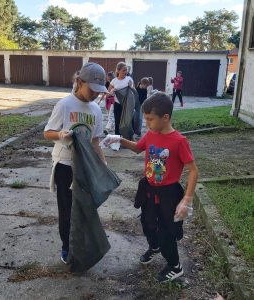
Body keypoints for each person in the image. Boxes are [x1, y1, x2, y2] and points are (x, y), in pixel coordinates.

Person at [102, 92, 198, 282]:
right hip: (149, 189)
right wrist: (120, 139)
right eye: (145, 119)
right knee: (147, 224)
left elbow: (193, 170)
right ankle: (154, 247)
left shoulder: (179, 141)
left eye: (150, 119)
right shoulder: (152, 134)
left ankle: (174, 265)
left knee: (166, 231)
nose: (146, 123)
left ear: (165, 117)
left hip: (168, 193)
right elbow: (138, 148)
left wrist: (186, 200)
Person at [44, 62, 108, 264]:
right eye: (92, 89)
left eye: (99, 91)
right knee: (67, 209)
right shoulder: (65, 105)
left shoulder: (96, 110)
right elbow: (47, 133)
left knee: (85, 208)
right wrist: (61, 135)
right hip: (65, 165)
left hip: (85, 166)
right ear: (80, 82)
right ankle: (67, 247)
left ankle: (82, 244)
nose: (96, 95)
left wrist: (103, 165)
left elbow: (95, 141)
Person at [108, 62, 136, 136]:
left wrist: (131, 87)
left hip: (128, 104)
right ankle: (117, 139)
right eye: (123, 70)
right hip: (118, 104)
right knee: (118, 121)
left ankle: (129, 138)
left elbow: (135, 92)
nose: (125, 72)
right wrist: (111, 92)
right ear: (118, 71)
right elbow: (107, 94)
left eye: (126, 70)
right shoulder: (114, 81)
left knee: (129, 120)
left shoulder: (129, 79)